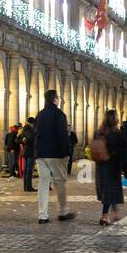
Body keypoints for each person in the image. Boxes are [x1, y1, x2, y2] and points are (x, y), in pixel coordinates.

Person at [34, 91, 76, 224]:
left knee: (43, 183)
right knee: (60, 182)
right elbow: (62, 136)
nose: (59, 99)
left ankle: (42, 215)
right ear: (54, 99)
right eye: (58, 97)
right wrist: (67, 152)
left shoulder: (39, 114)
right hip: (56, 154)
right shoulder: (59, 115)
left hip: (41, 154)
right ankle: (63, 211)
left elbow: (37, 134)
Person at [92, 109, 125, 224]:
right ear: (116, 119)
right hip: (112, 165)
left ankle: (115, 212)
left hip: (100, 165)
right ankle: (104, 216)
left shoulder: (98, 132)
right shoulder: (118, 134)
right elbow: (121, 151)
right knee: (110, 190)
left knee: (108, 190)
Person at [19, 118, 37, 192]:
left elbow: (17, 139)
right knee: (29, 170)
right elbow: (31, 139)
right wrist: (25, 140)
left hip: (25, 151)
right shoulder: (30, 130)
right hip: (30, 151)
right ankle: (28, 187)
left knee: (26, 170)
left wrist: (23, 140)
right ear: (31, 123)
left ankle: (26, 187)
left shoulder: (23, 130)